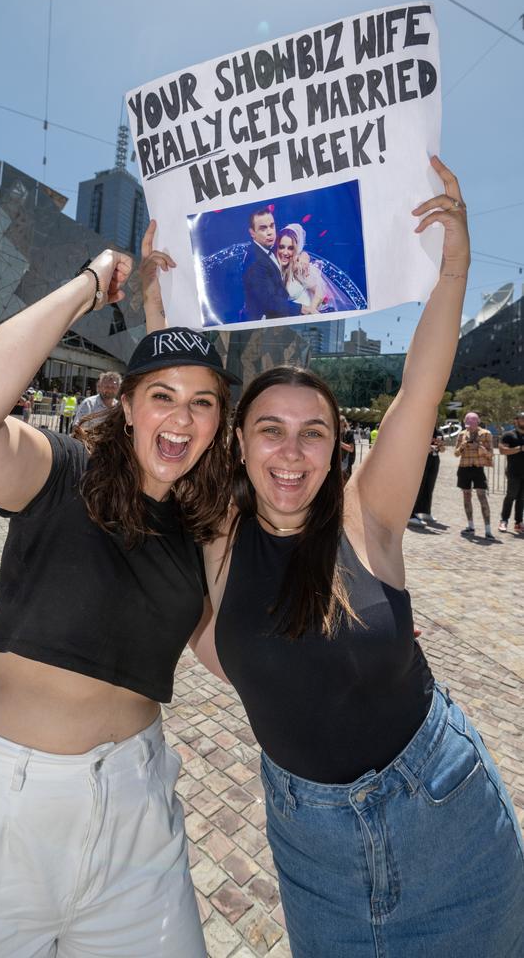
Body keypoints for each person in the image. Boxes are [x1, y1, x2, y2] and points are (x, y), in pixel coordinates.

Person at [187, 159, 524, 956]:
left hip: (448, 817)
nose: (293, 451)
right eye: (271, 428)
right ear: (238, 440)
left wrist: (456, 268)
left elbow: (420, 387)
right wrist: (154, 301)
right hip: (313, 852)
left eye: (315, 431)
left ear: (340, 444)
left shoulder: (368, 512)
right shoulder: (209, 538)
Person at [0, 247, 239, 958]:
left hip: (136, 821)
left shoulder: (205, 527)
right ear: (125, 404)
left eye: (202, 403)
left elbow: (232, 654)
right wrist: (88, 287)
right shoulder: (62, 469)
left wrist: (345, 649)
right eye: (161, 395)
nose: (181, 417)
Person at [242, 208, 310, 321]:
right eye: (263, 228)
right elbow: (268, 302)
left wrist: (304, 255)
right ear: (252, 233)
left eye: (272, 226)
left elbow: (291, 249)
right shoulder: (255, 260)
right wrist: (301, 309)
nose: (270, 232)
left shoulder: (270, 248)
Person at [454, 411, 494, 538]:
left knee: (482, 496)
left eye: (472, 424)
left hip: (478, 469)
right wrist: (463, 446)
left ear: (478, 422)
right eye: (468, 424)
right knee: (466, 496)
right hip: (464, 468)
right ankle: (470, 526)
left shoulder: (486, 434)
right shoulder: (462, 434)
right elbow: (456, 453)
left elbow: (490, 454)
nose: (470, 427)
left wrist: (479, 447)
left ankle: (488, 530)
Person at [275, 225, 331, 314]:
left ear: (296, 250)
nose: (285, 252)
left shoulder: (300, 267)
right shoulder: (271, 265)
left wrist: (311, 311)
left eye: (290, 248)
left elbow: (320, 293)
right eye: (281, 247)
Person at [407, 426, 445, 526]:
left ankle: (425, 511)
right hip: (422, 459)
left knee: (430, 485)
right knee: (419, 486)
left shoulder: (439, 432)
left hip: (434, 459)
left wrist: (440, 445)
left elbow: (443, 449)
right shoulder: (423, 428)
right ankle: (411, 514)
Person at [498, 411, 524, 533]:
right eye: (522, 419)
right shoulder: (508, 435)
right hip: (513, 472)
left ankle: (518, 523)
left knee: (522, 499)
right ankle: (504, 520)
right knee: (511, 496)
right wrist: (520, 448)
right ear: (516, 420)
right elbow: (503, 450)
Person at [339, 414, 356, 484]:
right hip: (335, 465)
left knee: (344, 486)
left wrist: (338, 443)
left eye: (340, 423)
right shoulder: (334, 433)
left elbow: (351, 449)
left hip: (345, 466)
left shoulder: (349, 433)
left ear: (343, 423)